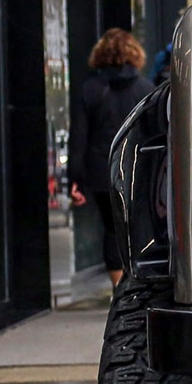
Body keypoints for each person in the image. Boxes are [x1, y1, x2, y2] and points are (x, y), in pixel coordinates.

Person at [69, 28, 154, 286]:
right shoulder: (145, 89)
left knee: (112, 228)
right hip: (137, 169)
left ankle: (118, 287)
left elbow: (79, 136)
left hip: (102, 171)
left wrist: (75, 179)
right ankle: (136, 283)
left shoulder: (90, 89)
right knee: (136, 227)